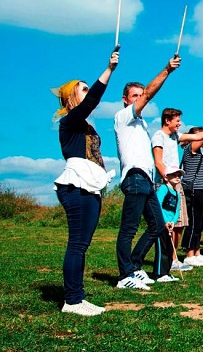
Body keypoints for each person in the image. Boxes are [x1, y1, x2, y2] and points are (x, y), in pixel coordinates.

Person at [53, 50, 118, 315]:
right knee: (77, 243)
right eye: (83, 88)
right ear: (72, 98)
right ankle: (72, 300)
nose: (88, 90)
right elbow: (92, 101)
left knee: (83, 244)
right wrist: (109, 69)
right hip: (76, 186)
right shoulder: (70, 121)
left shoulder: (84, 125)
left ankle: (77, 297)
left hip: (89, 186)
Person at [114, 56, 180, 291]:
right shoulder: (123, 117)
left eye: (140, 95)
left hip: (146, 182)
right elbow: (149, 95)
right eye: (135, 96)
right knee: (128, 229)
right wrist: (166, 70)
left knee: (158, 226)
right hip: (133, 178)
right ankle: (125, 275)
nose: (140, 99)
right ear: (125, 100)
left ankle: (135, 266)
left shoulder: (141, 124)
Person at [152, 108, 203, 271]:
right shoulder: (159, 136)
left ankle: (174, 258)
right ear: (167, 120)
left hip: (177, 184)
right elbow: (158, 161)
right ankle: (171, 259)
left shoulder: (176, 136)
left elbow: (200, 135)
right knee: (170, 224)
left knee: (180, 223)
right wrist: (166, 180)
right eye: (177, 120)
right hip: (169, 183)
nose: (180, 123)